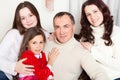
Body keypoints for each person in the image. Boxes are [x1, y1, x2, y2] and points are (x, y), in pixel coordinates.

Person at [44, 11, 110, 80]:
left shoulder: (81, 50)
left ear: (73, 27)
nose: (61, 32)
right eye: (57, 27)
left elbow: (98, 73)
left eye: (66, 26)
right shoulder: (45, 44)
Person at [0, 1, 51, 80]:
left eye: (30, 15)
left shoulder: (43, 33)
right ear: (19, 21)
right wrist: (14, 67)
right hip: (5, 74)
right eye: (23, 18)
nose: (28, 20)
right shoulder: (14, 33)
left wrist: (55, 35)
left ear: (36, 15)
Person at [78, 0, 120, 80]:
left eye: (95, 11)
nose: (92, 17)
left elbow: (118, 65)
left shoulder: (117, 32)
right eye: (88, 14)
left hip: (113, 77)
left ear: (103, 11)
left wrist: (93, 50)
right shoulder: (85, 34)